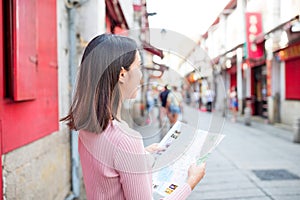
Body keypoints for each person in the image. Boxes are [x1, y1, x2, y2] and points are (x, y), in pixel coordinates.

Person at [61, 34, 206, 200]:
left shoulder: (86, 126)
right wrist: (190, 183)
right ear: (122, 75)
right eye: (138, 67)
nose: (141, 76)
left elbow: (108, 169)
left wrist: (142, 155)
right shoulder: (126, 140)